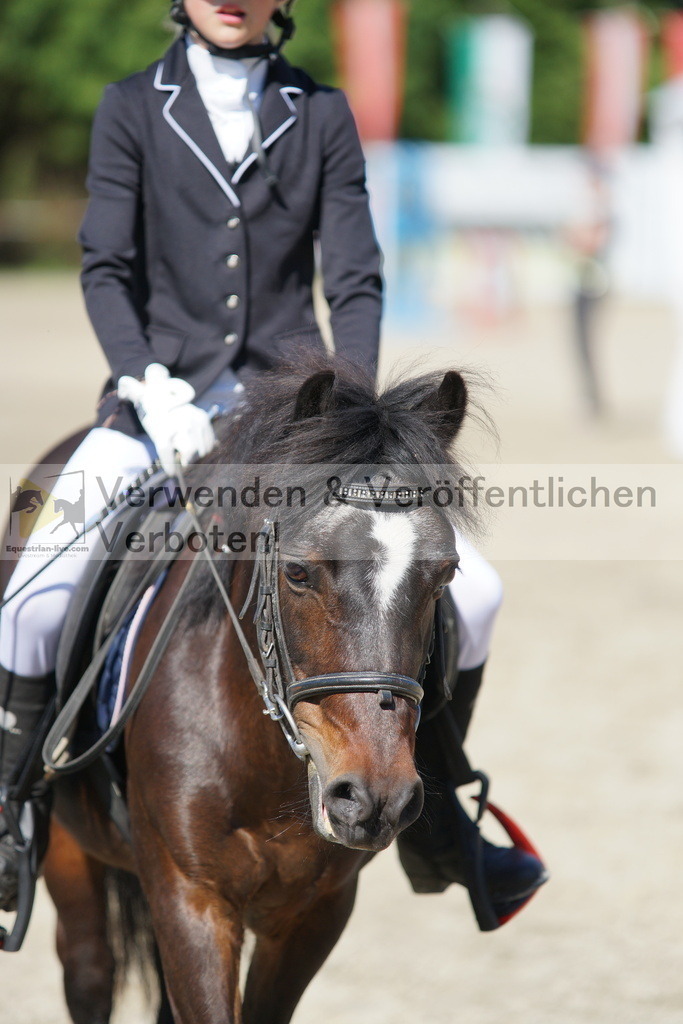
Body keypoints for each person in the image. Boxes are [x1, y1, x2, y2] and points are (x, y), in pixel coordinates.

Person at [0, 0, 545, 932]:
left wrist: (351, 419)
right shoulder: (131, 104)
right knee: (34, 593)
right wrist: (148, 383)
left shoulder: (319, 111)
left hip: (301, 417)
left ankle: (441, 820)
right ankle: (13, 817)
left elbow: (356, 281)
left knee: (477, 591)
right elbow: (103, 267)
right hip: (154, 407)